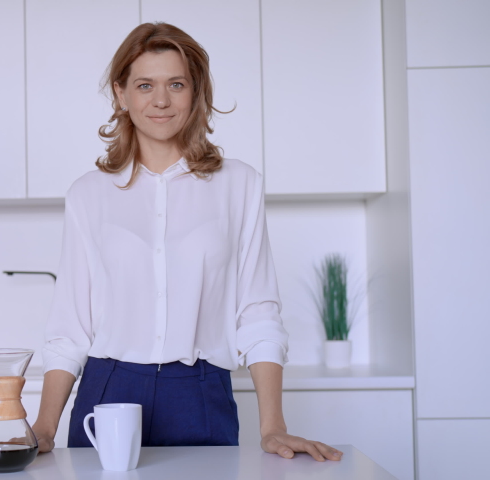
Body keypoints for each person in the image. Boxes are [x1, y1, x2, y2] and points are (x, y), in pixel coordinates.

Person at [31, 22, 342, 462]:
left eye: (176, 84)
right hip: (108, 391)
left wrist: (273, 426)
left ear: (195, 92)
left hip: (200, 393)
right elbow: (69, 328)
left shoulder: (239, 184)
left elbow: (257, 312)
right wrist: (44, 427)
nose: (161, 100)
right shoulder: (87, 194)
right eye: (145, 85)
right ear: (121, 94)